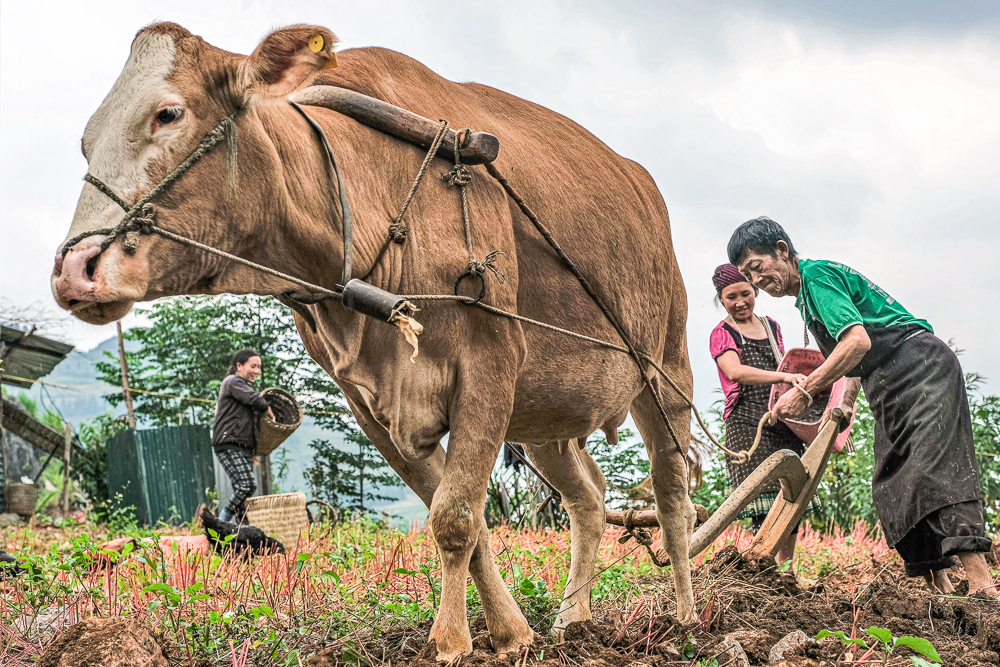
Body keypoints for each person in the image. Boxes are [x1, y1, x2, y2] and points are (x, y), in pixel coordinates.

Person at [727, 216, 996, 597]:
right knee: (893, 480)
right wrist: (847, 403)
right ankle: (940, 583)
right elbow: (851, 355)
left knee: (934, 471)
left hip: (919, 368)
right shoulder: (808, 298)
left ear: (782, 252)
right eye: (747, 275)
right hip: (887, 384)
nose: (756, 282)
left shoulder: (817, 277)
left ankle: (982, 583)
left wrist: (804, 391)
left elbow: (857, 342)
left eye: (757, 268)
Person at [709, 263, 810, 567]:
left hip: (782, 420)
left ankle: (787, 571)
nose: (740, 302)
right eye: (731, 297)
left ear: (754, 291)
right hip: (746, 425)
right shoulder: (722, 332)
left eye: (745, 294)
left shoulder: (772, 326)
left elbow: (785, 366)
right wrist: (782, 379)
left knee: (793, 492)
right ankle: (766, 567)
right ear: (721, 299)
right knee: (763, 502)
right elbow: (735, 371)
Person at [212, 349, 273, 523]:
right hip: (228, 443)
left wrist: (252, 451)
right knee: (248, 484)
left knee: (242, 491)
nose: (256, 371)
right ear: (239, 365)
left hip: (241, 446)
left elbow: (250, 424)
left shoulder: (241, 386)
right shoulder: (233, 382)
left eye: (259, 367)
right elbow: (256, 400)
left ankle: (242, 534)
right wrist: (268, 410)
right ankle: (220, 522)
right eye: (253, 366)